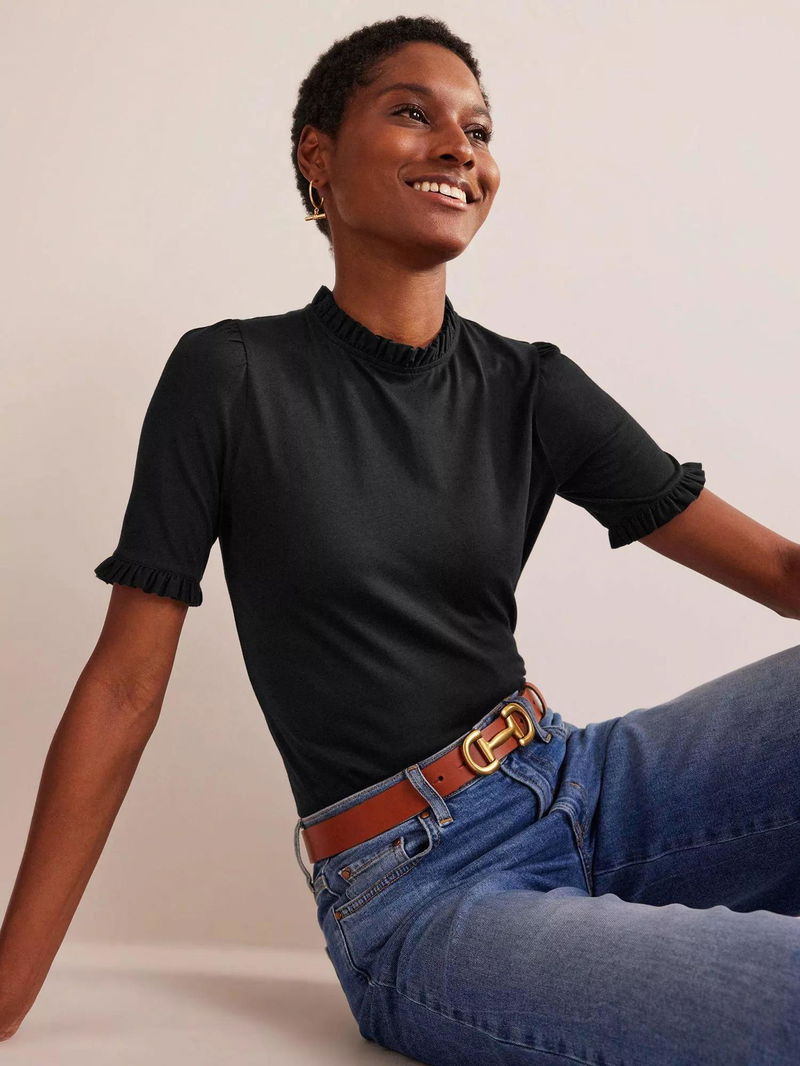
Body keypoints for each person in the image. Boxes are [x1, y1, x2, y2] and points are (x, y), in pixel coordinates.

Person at [1, 13, 798, 1062]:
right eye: (413, 113)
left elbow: (783, 573)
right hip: (419, 890)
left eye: (478, 128)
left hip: (588, 786)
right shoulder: (230, 378)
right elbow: (122, 690)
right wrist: (6, 993)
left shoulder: (530, 387)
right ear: (317, 156)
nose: (459, 146)